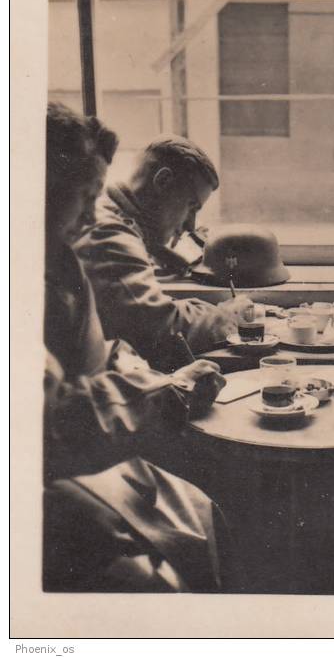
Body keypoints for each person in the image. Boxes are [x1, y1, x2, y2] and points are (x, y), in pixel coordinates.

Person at [43, 102, 238, 592]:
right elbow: (155, 326)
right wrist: (167, 390)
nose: (91, 213)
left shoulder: (62, 247)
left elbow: (100, 343)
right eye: (84, 196)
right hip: (47, 475)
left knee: (204, 509)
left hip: (83, 432)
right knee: (187, 534)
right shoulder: (100, 233)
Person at [75, 135, 240, 370]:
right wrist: (227, 317)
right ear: (163, 180)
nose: (190, 226)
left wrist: (154, 247)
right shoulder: (109, 236)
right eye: (191, 206)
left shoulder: (111, 220)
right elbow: (160, 328)